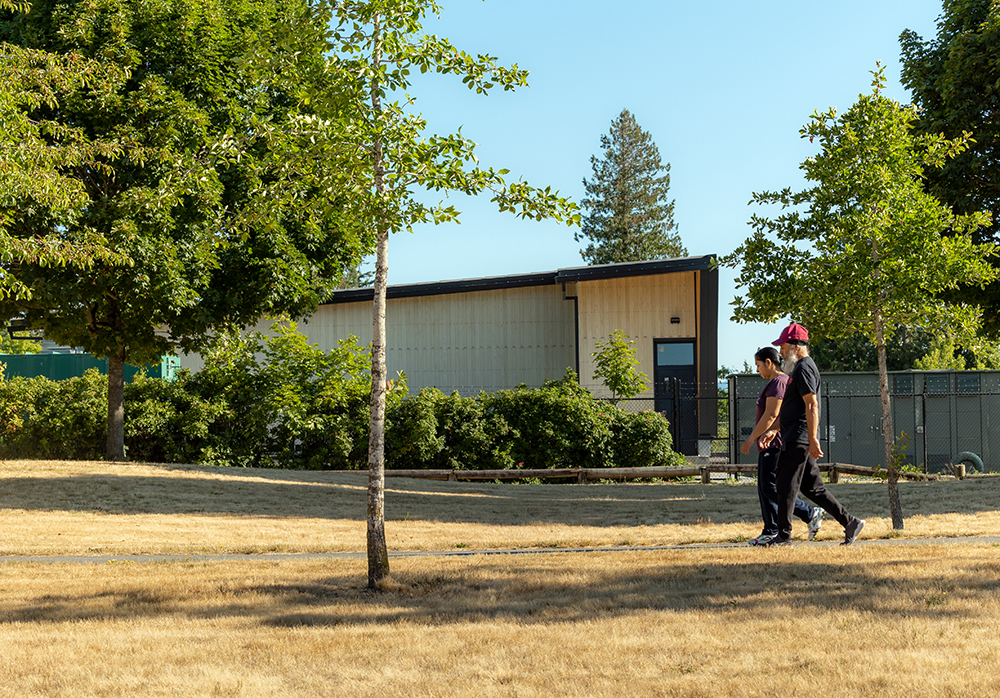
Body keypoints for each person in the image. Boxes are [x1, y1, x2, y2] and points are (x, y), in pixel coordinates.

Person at [761, 322, 865, 546]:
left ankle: (783, 536)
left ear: (797, 346)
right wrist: (774, 430)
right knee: (813, 489)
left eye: (784, 346)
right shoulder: (799, 369)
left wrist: (812, 438)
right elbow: (795, 408)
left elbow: (811, 405)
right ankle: (850, 522)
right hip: (796, 436)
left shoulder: (804, 367)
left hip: (798, 438)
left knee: (785, 486)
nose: (780, 351)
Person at [740, 346, 823, 546]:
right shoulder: (775, 382)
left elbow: (771, 414)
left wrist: (752, 438)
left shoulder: (779, 382)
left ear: (769, 362)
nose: (757, 370)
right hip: (768, 443)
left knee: (771, 487)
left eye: (758, 365)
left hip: (775, 443)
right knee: (765, 488)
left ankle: (809, 513)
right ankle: (770, 529)